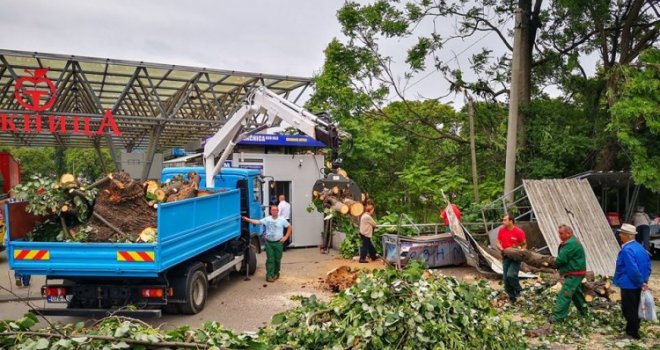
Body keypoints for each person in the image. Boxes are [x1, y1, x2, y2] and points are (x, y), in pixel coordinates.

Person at [613, 223, 652, 340]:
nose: (619, 235)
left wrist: (640, 282)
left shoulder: (627, 249)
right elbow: (648, 266)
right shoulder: (640, 248)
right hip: (638, 283)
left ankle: (632, 333)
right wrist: (644, 281)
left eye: (621, 233)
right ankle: (633, 330)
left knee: (629, 309)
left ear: (626, 235)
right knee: (636, 307)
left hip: (629, 284)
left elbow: (632, 269)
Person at [243, 205, 292, 282]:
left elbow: (289, 227)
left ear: (278, 211)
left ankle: (276, 273)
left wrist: (285, 237)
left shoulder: (282, 220)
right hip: (269, 243)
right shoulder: (267, 219)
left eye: (275, 210)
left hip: (278, 243)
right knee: (270, 259)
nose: (274, 212)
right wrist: (248, 219)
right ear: (270, 211)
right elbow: (258, 222)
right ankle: (269, 275)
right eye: (272, 210)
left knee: (277, 260)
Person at [551, 224, 588, 322]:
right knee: (576, 294)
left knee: (565, 294)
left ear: (569, 233)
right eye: (559, 233)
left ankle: (558, 317)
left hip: (574, 273)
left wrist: (551, 263)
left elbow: (561, 259)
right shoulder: (571, 242)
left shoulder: (570, 244)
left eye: (561, 233)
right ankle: (585, 313)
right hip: (576, 272)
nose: (559, 235)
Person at [496, 214, 526, 302]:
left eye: (505, 220)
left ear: (511, 221)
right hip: (506, 256)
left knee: (511, 275)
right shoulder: (501, 230)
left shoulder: (519, 232)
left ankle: (519, 290)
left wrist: (520, 250)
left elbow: (524, 244)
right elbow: (497, 242)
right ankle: (512, 298)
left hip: (515, 258)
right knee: (506, 279)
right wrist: (502, 249)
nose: (503, 222)